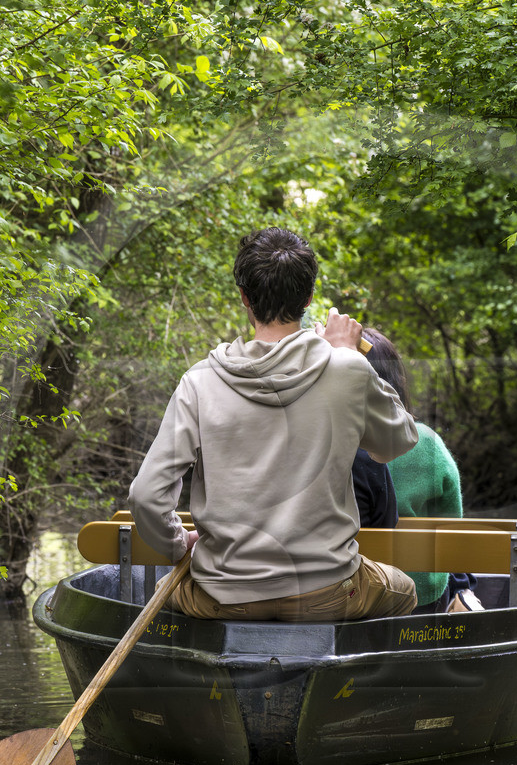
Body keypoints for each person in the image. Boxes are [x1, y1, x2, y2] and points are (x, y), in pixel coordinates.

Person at [127, 228, 419, 621]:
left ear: (245, 298)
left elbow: (146, 495)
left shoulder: (198, 382)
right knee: (405, 590)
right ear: (309, 297)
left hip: (223, 597)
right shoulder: (348, 369)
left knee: (168, 591)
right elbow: (397, 443)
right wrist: (349, 354)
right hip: (328, 592)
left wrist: (178, 545)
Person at [359, 327, 483, 614]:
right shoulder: (426, 442)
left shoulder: (325, 439)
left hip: (350, 592)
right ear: (395, 382)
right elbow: (454, 526)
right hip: (421, 597)